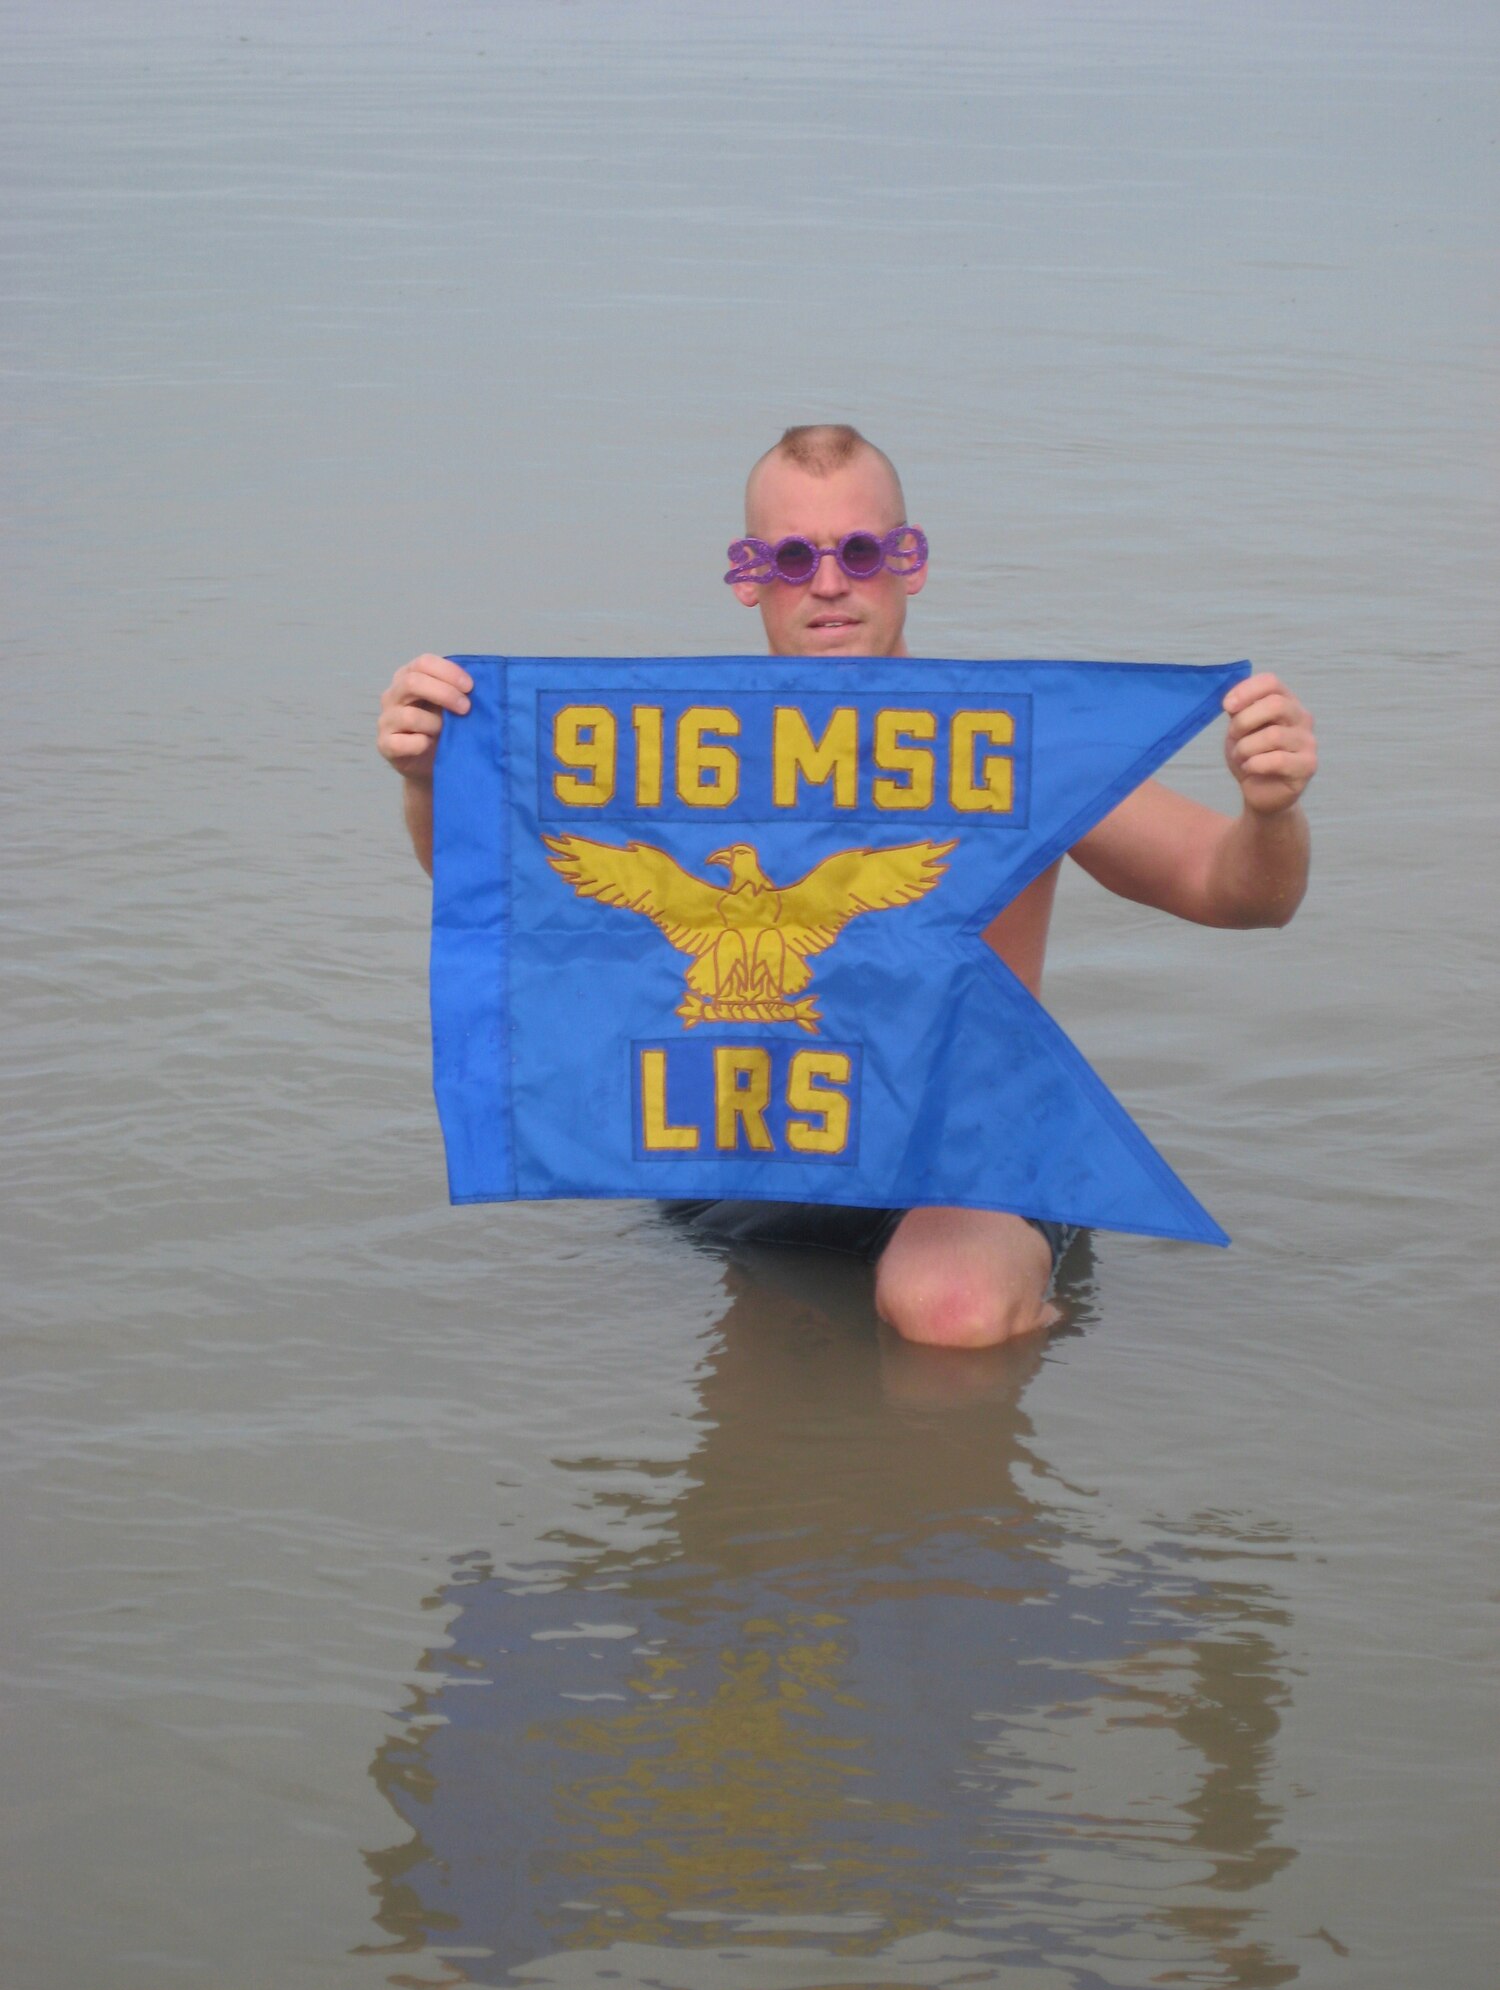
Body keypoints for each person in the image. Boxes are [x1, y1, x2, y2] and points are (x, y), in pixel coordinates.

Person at [377, 424, 1317, 1351]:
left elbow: (1236, 893)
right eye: (792, 558)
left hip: (962, 1152)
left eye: (861, 551)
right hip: (759, 1134)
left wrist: (1269, 814)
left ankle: (1012, 1322)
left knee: (950, 1316)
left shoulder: (1008, 740)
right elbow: (506, 893)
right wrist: (431, 776)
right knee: (747, 1427)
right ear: (749, 576)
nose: (828, 583)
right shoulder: (682, 752)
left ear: (909, 561)